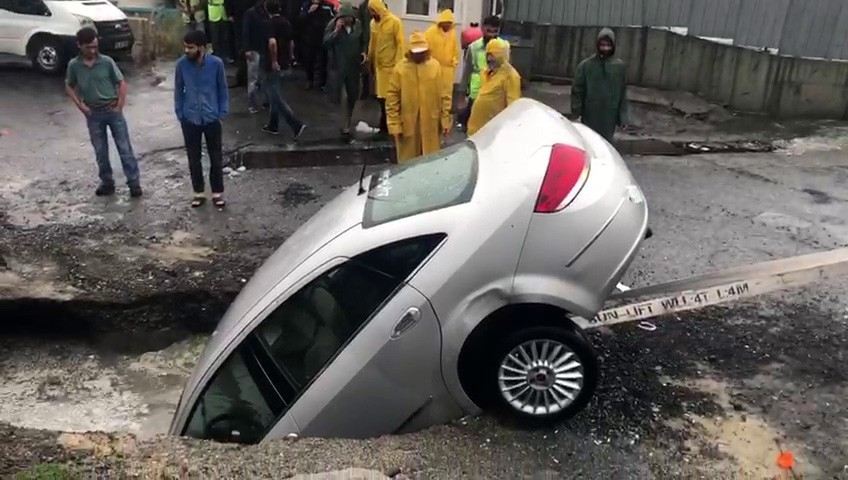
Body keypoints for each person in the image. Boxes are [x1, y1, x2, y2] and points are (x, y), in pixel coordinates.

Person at [65, 27, 142, 198]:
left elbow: (121, 82)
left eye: (95, 46)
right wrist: (80, 106)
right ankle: (107, 182)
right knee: (100, 151)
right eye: (88, 47)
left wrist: (120, 105)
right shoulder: (74, 65)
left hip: (112, 109)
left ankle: (134, 183)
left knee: (124, 148)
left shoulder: (106, 62)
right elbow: (69, 85)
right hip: (93, 113)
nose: (92, 50)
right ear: (79, 45)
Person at [175, 30, 230, 209]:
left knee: (216, 157)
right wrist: (180, 113)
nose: (186, 50)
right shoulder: (181, 65)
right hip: (190, 118)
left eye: (190, 47)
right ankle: (198, 193)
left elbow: (222, 89)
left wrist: (222, 111)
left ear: (201, 47)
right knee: (193, 157)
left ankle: (217, 193)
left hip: (211, 116)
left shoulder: (216, 64)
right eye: (185, 46)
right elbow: (178, 90)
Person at [385, 32, 451, 164]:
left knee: (430, 162)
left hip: (431, 123)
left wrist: (445, 120)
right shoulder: (400, 69)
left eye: (422, 52)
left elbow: (444, 94)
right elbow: (392, 98)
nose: (419, 55)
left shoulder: (435, 67)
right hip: (408, 124)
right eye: (416, 52)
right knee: (408, 163)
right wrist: (394, 125)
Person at [571, 28, 629, 143]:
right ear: (597, 45)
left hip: (609, 116)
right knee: (589, 142)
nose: (605, 48)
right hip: (590, 115)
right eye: (602, 45)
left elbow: (622, 94)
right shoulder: (586, 66)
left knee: (606, 145)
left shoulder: (619, 67)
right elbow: (577, 90)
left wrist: (623, 118)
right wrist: (576, 113)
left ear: (613, 46)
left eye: (608, 45)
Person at [262, 0, 308, 138]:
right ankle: (273, 124)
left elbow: (272, 43)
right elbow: (291, 42)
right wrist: (290, 57)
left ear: (266, 9)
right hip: (284, 61)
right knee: (275, 91)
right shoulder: (286, 22)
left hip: (272, 63)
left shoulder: (269, 24)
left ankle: (295, 124)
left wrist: (274, 60)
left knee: (274, 95)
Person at [324, 1, 367, 138]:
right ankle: (344, 124)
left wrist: (364, 52)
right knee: (341, 96)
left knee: (353, 95)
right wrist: (336, 31)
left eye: (348, 18)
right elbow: (325, 43)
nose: (346, 20)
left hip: (353, 66)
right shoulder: (333, 25)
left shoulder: (358, 26)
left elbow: (364, 40)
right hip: (338, 66)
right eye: (343, 18)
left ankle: (348, 120)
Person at [459, 15, 509, 131]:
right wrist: (461, 96)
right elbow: (467, 72)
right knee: (474, 128)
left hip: (496, 95)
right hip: (477, 93)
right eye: (489, 31)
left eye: (495, 31)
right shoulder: (473, 47)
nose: (491, 35)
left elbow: (508, 71)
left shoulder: (504, 47)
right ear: (482, 29)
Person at [467, 38, 521, 135]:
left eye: (493, 56)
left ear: (502, 56)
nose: (489, 59)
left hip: (491, 132)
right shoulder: (487, 72)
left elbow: (513, 108)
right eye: (488, 55)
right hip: (476, 130)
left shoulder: (511, 76)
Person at [366, 0, 404, 136]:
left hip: (391, 68)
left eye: (373, 10)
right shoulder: (373, 24)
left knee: (391, 99)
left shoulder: (395, 22)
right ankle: (384, 125)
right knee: (380, 98)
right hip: (379, 68)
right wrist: (369, 60)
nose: (371, 14)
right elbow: (373, 43)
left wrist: (398, 66)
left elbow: (400, 44)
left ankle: (390, 125)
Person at [424, 9, 459, 101]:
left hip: (447, 70)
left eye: (449, 22)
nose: (447, 25)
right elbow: (425, 49)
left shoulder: (452, 33)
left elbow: (455, 50)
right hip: (433, 69)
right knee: (432, 95)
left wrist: (454, 61)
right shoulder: (430, 32)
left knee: (446, 95)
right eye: (445, 22)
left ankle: (445, 114)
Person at [299, 0, 335, 90]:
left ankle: (323, 83)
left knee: (324, 61)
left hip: (323, 37)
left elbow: (333, 18)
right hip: (310, 37)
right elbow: (300, 20)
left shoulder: (328, 6)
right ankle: (309, 80)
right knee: (309, 60)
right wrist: (309, 12)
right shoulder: (306, 5)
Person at [243, 0, 271, 113]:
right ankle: (253, 104)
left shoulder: (257, 12)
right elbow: (246, 31)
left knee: (261, 78)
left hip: (261, 49)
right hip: (255, 49)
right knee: (254, 79)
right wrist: (247, 49)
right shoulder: (252, 13)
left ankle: (263, 102)